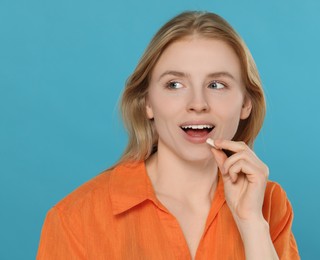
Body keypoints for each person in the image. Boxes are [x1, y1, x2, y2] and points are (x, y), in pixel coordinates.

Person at [37, 11, 300, 259]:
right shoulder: (74, 218)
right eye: (174, 84)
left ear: (246, 104)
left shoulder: (269, 205)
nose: (198, 103)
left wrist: (251, 223)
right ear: (147, 103)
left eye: (217, 84)